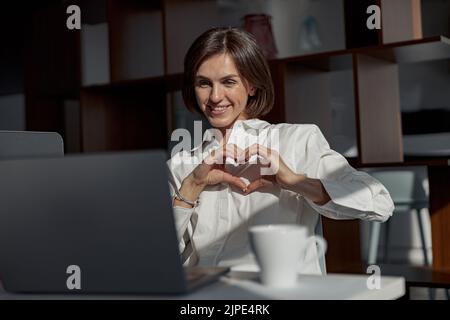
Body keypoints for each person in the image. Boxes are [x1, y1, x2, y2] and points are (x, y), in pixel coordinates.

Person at [167, 27, 394, 274]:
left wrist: (296, 182)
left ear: (252, 85)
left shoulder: (297, 141)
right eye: (203, 83)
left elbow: (380, 203)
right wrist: (190, 188)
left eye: (228, 82)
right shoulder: (183, 163)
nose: (215, 96)